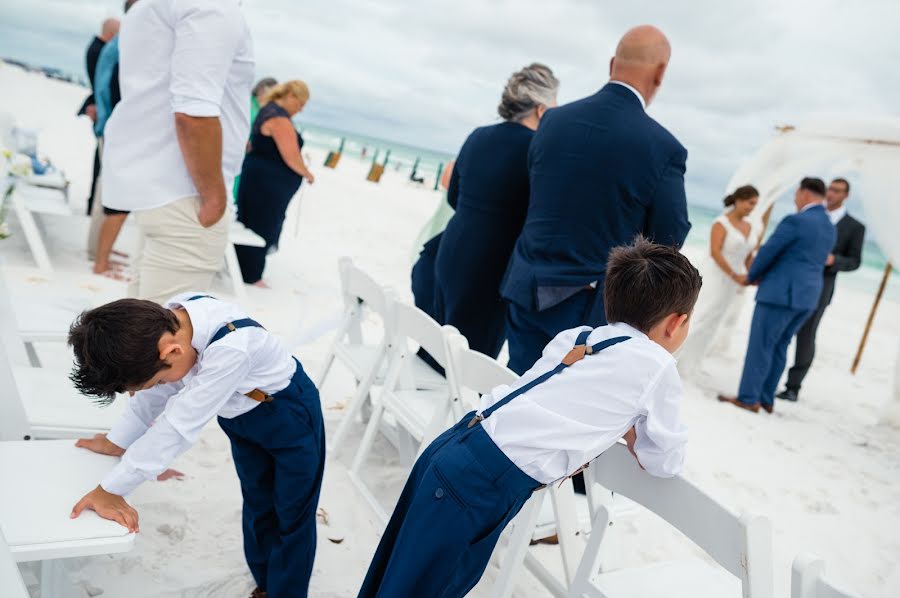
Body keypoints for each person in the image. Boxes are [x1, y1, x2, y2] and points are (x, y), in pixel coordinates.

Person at [358, 238, 698, 597]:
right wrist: (631, 434)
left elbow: (557, 400)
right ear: (676, 324)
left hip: (456, 443)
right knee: (428, 588)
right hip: (483, 485)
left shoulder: (577, 338)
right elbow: (666, 460)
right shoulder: (658, 366)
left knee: (394, 575)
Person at [67, 294, 324, 598]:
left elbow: (177, 426)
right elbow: (151, 396)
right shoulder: (170, 322)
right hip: (239, 418)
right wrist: (118, 440)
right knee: (257, 499)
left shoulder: (232, 349)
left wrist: (112, 489)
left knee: (293, 512)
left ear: (172, 350)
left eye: (160, 381)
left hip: (290, 417)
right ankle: (266, 582)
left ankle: (286, 593)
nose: (161, 386)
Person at [501, 25, 690, 376]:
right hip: (586, 310)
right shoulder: (662, 148)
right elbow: (670, 238)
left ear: (612, 64)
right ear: (661, 73)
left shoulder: (554, 121)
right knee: (559, 411)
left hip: (524, 284)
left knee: (514, 387)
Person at [100, 0, 255, 304]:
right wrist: (214, 198)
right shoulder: (213, 7)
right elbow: (193, 113)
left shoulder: (150, 6)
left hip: (156, 183)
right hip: (186, 194)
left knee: (141, 323)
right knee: (167, 336)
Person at [433, 64, 559, 359]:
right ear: (542, 109)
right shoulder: (538, 150)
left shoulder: (478, 136)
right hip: (492, 267)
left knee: (440, 349)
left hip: (451, 252)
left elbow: (454, 195)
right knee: (471, 360)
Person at [719, 178, 835, 414]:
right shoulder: (829, 225)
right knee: (780, 346)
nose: (794, 199)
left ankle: (749, 398)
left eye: (796, 194)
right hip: (808, 296)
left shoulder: (796, 220)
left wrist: (751, 276)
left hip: (781, 293)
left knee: (761, 344)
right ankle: (766, 398)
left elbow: (769, 251)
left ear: (804, 193)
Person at [777, 177, 865, 402]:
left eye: (837, 191)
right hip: (792, 281)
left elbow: (855, 261)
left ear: (846, 196)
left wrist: (834, 259)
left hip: (822, 287)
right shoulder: (809, 215)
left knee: (806, 335)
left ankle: (793, 386)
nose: (831, 194)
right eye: (829, 189)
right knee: (780, 329)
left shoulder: (855, 227)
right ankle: (769, 379)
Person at [234, 80, 315, 286]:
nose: (301, 109)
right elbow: (291, 156)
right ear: (290, 96)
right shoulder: (278, 118)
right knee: (262, 223)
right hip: (267, 185)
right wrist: (308, 173)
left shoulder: (266, 111)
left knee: (252, 220)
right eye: (300, 103)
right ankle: (251, 274)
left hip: (258, 179)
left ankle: (243, 269)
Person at [677, 185, 760, 374]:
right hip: (717, 276)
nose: (752, 208)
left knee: (715, 320)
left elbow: (748, 256)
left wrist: (751, 275)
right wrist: (733, 274)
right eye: (750, 203)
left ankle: (694, 362)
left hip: (735, 281)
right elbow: (715, 252)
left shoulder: (750, 226)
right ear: (739, 200)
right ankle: (677, 358)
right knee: (701, 316)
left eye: (755, 205)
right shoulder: (721, 223)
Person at [88, 0, 139, 278]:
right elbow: (120, 91)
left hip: (114, 127)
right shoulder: (127, 43)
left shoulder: (121, 42)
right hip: (119, 129)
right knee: (116, 198)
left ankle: (98, 254)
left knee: (107, 194)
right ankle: (100, 262)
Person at [78, 17, 119, 216]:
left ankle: (95, 209)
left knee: (101, 169)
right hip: (106, 119)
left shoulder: (100, 49)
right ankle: (94, 210)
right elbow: (101, 86)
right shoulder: (102, 50)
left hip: (104, 116)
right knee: (102, 170)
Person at [233, 77, 278, 203]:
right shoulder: (246, 102)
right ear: (263, 89)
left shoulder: (265, 110)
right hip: (238, 148)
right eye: (272, 91)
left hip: (250, 155)